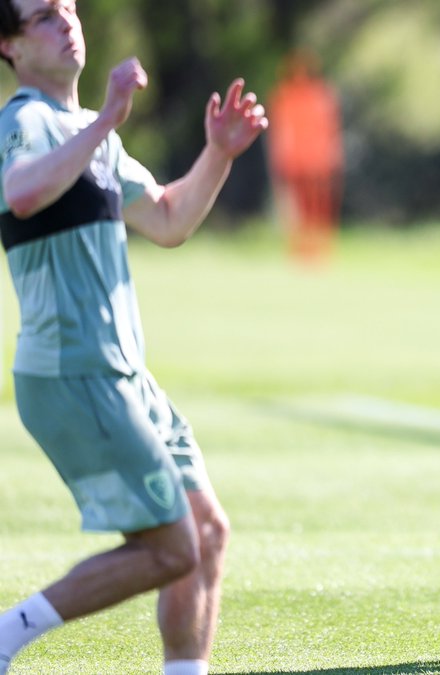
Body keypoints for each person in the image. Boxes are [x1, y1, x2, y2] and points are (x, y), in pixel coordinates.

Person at [0, 1, 267, 674]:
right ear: (10, 48)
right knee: (173, 548)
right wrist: (107, 121)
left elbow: (170, 219)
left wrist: (218, 153)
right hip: (72, 372)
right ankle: (6, 634)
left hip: (125, 376)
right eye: (43, 17)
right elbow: (22, 193)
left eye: (68, 8)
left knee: (206, 533)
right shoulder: (25, 121)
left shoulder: (95, 135)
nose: (66, 22)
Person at [266, 49, 342, 264]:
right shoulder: (283, 96)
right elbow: (280, 133)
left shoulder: (322, 96)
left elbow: (330, 130)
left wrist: (332, 157)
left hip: (317, 161)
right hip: (294, 162)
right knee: (296, 208)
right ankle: (299, 252)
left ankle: (320, 251)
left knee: (319, 207)